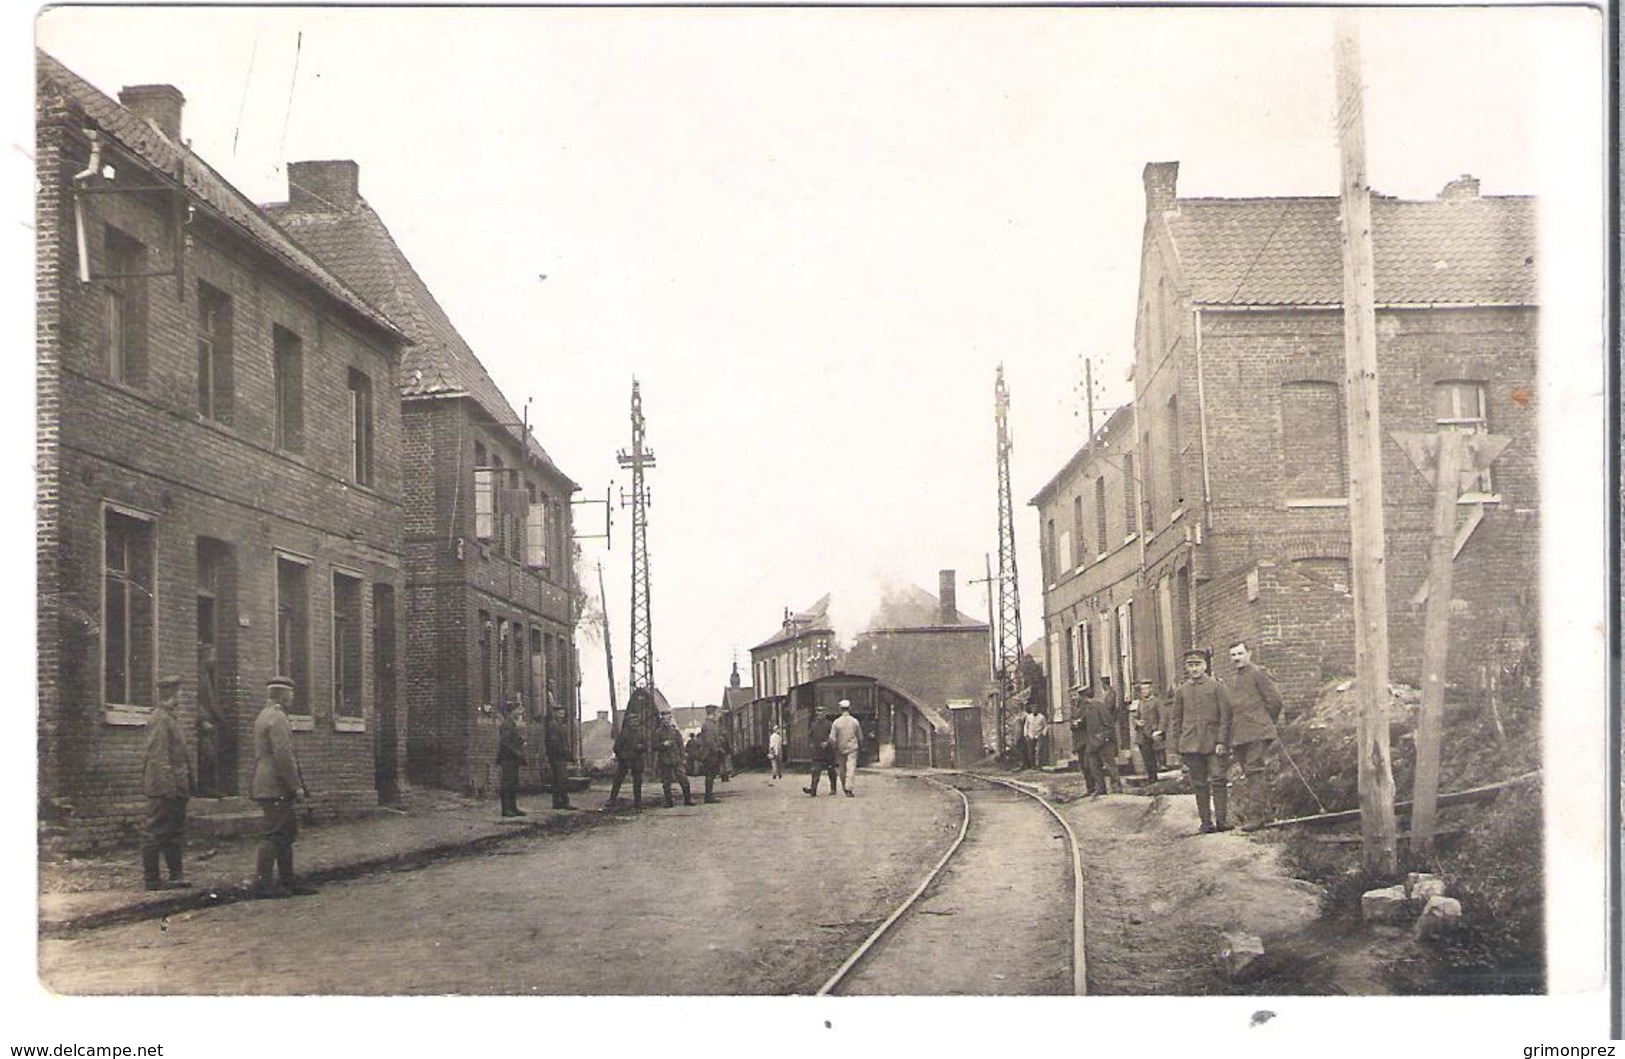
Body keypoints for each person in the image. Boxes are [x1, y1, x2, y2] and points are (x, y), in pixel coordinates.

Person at [251, 675, 316, 897]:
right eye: (290, 694)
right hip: (275, 785)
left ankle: (288, 881)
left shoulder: (264, 715)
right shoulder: (277, 718)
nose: (292, 698)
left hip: (269, 783)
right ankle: (263, 885)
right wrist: (295, 786)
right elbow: (283, 755)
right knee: (273, 834)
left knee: (285, 834)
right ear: (282, 695)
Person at [1159, 649, 1235, 833]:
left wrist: (1222, 741)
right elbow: (1176, 720)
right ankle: (1206, 823)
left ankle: (1222, 821)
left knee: (1218, 779)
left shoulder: (1217, 687)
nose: (1194, 669)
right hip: (1191, 744)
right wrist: (1178, 744)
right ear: (1186, 667)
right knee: (1199, 783)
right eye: (1190, 665)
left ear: (1205, 666)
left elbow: (1226, 716)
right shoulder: (1181, 691)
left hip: (1213, 743)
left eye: (1197, 664)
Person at [140, 675, 192, 891]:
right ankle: (152, 880)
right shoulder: (160, 719)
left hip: (175, 787)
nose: (181, 696)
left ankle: (175, 876)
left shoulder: (170, 718)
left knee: (173, 832)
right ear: (172, 695)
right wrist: (168, 787)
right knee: (156, 831)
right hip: (164, 788)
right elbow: (158, 757)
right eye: (179, 692)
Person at [1224, 641, 1284, 781]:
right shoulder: (1235, 679)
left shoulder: (1258, 673)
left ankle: (1258, 803)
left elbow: (1275, 701)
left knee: (1254, 769)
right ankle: (1257, 801)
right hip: (1240, 734)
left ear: (1249, 654)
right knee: (1248, 772)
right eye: (1233, 655)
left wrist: (1265, 721)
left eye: (1240, 653)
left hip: (1258, 732)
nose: (1236, 658)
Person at [605, 705, 648, 811]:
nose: (634, 723)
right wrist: (623, 757)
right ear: (628, 723)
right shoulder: (623, 734)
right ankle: (612, 799)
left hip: (637, 761)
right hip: (625, 761)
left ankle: (638, 803)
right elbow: (616, 748)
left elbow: (646, 747)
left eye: (636, 721)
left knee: (637, 782)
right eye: (632, 721)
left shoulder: (640, 734)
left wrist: (641, 747)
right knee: (618, 780)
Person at [1079, 686, 1121, 796]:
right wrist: (1078, 723)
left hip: (1104, 742)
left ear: (1085, 697)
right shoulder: (1087, 708)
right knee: (1094, 766)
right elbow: (1085, 724)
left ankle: (1116, 788)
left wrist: (1105, 737)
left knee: (1110, 765)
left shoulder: (1099, 706)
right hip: (1092, 742)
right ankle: (1101, 788)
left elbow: (1109, 723)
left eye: (1082, 698)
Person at [651, 708, 696, 807]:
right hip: (664, 760)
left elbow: (681, 746)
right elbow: (654, 746)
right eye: (663, 719)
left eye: (667, 719)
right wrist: (663, 744)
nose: (665, 721)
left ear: (670, 719)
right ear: (661, 720)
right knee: (666, 782)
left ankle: (688, 799)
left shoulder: (675, 732)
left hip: (676, 759)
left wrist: (683, 758)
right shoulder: (658, 732)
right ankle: (668, 801)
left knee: (683, 779)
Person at [496, 699, 527, 818]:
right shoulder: (507, 724)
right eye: (517, 710)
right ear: (511, 711)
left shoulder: (511, 723)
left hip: (512, 758)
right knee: (507, 783)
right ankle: (506, 809)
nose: (519, 713)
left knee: (513, 783)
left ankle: (513, 807)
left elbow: (511, 740)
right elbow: (505, 742)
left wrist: (520, 740)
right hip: (508, 758)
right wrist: (517, 753)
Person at [544, 703, 576, 809]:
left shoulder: (559, 725)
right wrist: (565, 752)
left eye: (563, 712)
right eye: (559, 712)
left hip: (559, 756)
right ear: (554, 713)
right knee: (561, 779)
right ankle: (564, 801)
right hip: (557, 756)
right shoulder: (553, 726)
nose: (562, 715)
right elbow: (554, 743)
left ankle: (557, 802)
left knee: (557, 780)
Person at [696, 703, 730, 803]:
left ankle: (709, 795)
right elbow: (709, 741)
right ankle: (708, 797)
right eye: (716, 713)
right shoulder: (709, 725)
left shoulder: (710, 724)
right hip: (710, 754)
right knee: (710, 775)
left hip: (710, 753)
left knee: (711, 775)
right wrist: (718, 750)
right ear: (713, 713)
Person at [829, 699, 862, 797]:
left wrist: (834, 746)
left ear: (840, 709)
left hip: (840, 748)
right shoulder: (855, 721)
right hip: (852, 747)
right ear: (849, 708)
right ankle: (849, 788)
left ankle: (845, 786)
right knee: (851, 768)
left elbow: (832, 737)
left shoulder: (836, 722)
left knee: (842, 769)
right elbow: (860, 736)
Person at [1131, 680, 1163, 780]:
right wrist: (1137, 722)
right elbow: (1135, 717)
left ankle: (1154, 778)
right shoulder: (1141, 703)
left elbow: (1163, 717)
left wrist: (1160, 730)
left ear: (1151, 689)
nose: (1144, 691)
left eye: (1146, 689)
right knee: (1146, 757)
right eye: (1142, 689)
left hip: (1153, 733)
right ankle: (1150, 777)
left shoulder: (1157, 701)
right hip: (1142, 734)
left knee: (1153, 757)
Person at [804, 704, 838, 797]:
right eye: (818, 712)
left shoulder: (829, 724)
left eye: (821, 712)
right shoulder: (813, 724)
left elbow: (833, 736)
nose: (819, 714)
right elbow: (810, 735)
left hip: (828, 753)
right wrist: (811, 744)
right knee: (815, 772)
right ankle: (813, 790)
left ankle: (833, 789)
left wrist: (827, 742)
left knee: (831, 771)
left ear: (825, 714)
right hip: (817, 752)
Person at [1021, 706, 1048, 770]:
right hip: (1031, 734)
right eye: (1033, 709)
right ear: (1031, 710)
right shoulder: (1029, 717)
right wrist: (1026, 734)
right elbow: (1026, 726)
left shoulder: (1042, 717)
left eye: (1036, 709)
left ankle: (1039, 765)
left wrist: (1043, 734)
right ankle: (1033, 765)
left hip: (1039, 734)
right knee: (1031, 750)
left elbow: (1046, 726)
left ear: (1038, 709)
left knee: (1039, 750)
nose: (1035, 710)